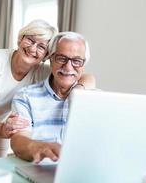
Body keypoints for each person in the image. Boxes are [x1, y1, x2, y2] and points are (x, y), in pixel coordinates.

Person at [0, 20, 95, 164]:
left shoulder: (43, 71)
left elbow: (84, 76)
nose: (33, 48)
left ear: (46, 56)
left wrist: (79, 90)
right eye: (30, 40)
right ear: (20, 39)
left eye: (41, 47)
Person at [10, 31, 90, 163]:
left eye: (76, 61)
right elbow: (18, 141)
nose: (68, 66)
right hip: (39, 169)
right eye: (61, 58)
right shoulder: (25, 97)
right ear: (51, 59)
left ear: (83, 65)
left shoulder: (96, 98)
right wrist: (37, 146)